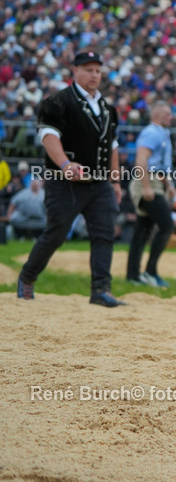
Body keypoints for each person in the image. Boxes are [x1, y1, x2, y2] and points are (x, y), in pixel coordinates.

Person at [16, 52, 126, 307]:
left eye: (98, 70)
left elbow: (113, 147)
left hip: (99, 184)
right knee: (57, 233)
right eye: (88, 69)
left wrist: (116, 181)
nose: (94, 75)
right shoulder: (57, 102)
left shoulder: (108, 108)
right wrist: (65, 164)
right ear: (74, 71)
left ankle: (101, 289)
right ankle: (28, 276)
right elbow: (48, 136)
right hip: (64, 183)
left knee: (104, 234)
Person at [126, 101, 175, 288]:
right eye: (168, 114)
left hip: (156, 181)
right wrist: (146, 187)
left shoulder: (161, 133)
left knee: (143, 230)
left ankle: (133, 274)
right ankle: (150, 271)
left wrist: (168, 185)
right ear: (158, 115)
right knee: (166, 225)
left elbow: (159, 166)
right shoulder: (152, 132)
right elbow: (141, 161)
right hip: (147, 182)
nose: (171, 117)